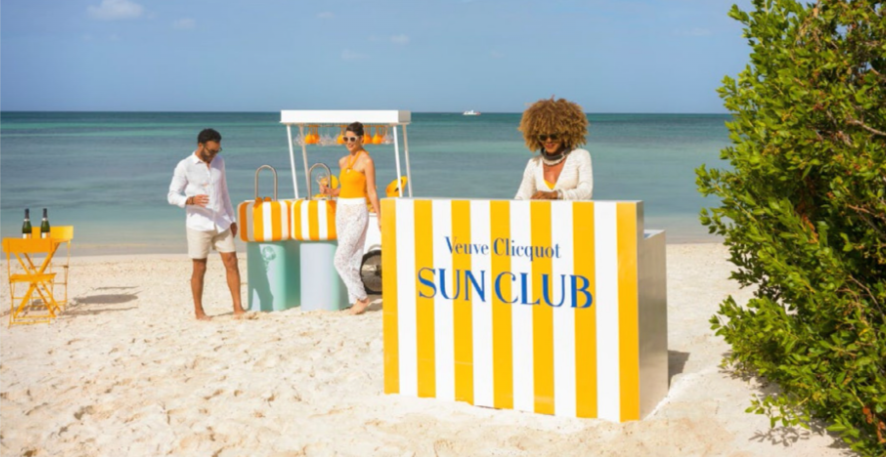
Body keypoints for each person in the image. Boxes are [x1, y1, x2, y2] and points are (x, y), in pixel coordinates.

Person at [167, 128, 245, 320]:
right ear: (200, 146)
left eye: (217, 151)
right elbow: (172, 195)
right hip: (198, 224)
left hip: (221, 221)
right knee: (200, 267)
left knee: (232, 262)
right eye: (211, 151)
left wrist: (232, 219)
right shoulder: (184, 166)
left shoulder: (219, 162)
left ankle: (238, 308)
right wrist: (189, 201)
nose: (214, 155)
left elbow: (224, 192)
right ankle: (199, 311)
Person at [320, 122, 381, 315]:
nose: (348, 142)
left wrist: (379, 216)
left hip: (357, 210)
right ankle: (355, 299)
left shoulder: (367, 161)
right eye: (346, 138)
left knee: (340, 258)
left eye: (352, 139)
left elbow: (371, 191)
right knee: (352, 258)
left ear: (361, 139)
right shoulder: (343, 161)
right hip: (342, 209)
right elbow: (344, 189)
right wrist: (330, 191)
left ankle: (362, 298)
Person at [514, 97, 593, 200]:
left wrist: (556, 195)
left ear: (565, 134)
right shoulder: (533, 164)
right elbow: (521, 197)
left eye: (554, 135)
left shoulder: (580, 156)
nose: (549, 140)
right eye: (543, 136)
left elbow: (586, 192)